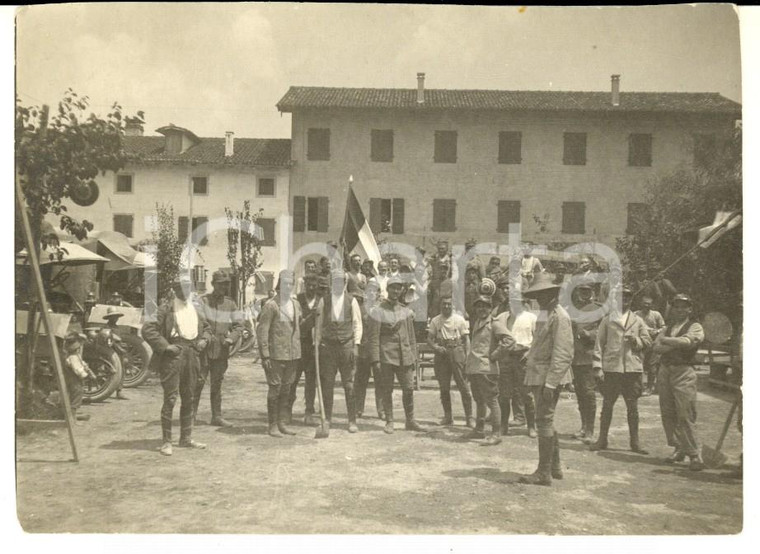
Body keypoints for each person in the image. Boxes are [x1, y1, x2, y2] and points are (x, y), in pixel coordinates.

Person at [143, 273, 212, 456]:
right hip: (174, 356)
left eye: (188, 286)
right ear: (175, 288)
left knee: (189, 397)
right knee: (171, 398)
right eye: (182, 287)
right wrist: (166, 347)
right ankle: (166, 442)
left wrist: (204, 340)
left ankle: (186, 438)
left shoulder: (196, 307)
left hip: (192, 355)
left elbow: (207, 328)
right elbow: (148, 329)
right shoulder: (166, 307)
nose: (186, 290)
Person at [518, 273, 573, 486]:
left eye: (543, 294)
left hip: (548, 378)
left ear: (552, 294)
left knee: (543, 421)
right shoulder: (545, 314)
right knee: (545, 420)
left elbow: (563, 353)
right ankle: (554, 467)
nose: (539, 298)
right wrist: (529, 354)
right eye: (537, 295)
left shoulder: (560, 317)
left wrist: (551, 383)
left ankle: (544, 472)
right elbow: (540, 343)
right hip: (538, 374)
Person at [589, 286, 651, 454]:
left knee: (633, 406)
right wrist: (598, 367)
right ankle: (602, 439)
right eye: (621, 298)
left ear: (631, 300)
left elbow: (647, 341)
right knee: (608, 404)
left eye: (628, 298)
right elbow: (598, 346)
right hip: (612, 369)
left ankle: (635, 443)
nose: (625, 301)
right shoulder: (608, 320)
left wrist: (635, 340)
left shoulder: (637, 321)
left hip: (632, 369)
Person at [653, 293, 706, 471]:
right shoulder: (668, 327)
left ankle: (694, 454)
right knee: (668, 411)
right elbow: (656, 347)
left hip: (684, 370)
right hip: (666, 370)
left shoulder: (695, 326)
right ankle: (679, 447)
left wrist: (667, 341)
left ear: (690, 309)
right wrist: (672, 343)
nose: (680, 309)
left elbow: (688, 342)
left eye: (684, 306)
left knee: (685, 412)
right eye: (676, 306)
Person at [368, 275, 425, 434]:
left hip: (405, 355)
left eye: (398, 288)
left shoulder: (405, 311)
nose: (395, 291)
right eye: (392, 287)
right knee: (387, 389)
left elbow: (411, 336)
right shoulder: (378, 310)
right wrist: (375, 360)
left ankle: (410, 420)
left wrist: (413, 356)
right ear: (387, 289)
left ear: (401, 290)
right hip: (386, 355)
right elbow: (373, 337)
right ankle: (390, 421)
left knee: (408, 388)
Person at [314, 269, 363, 433]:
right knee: (327, 385)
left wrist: (356, 346)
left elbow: (357, 324)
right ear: (331, 283)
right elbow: (319, 325)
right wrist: (317, 343)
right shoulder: (324, 301)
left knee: (349, 385)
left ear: (345, 283)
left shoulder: (351, 301)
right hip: (328, 349)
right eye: (335, 282)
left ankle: (352, 420)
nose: (338, 285)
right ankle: (326, 418)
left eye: (341, 282)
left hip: (346, 347)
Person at [195, 270, 244, 427]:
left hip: (222, 350)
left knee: (217, 383)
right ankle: (191, 416)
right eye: (221, 284)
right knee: (198, 382)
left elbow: (239, 326)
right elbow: (201, 323)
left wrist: (231, 339)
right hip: (203, 350)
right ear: (213, 284)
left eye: (227, 284)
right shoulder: (203, 301)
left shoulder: (231, 304)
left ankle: (216, 416)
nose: (224, 287)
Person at [256, 270, 302, 438]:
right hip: (275, 355)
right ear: (279, 285)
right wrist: (265, 355)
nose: (288, 287)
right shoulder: (271, 305)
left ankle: (282, 422)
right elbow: (262, 331)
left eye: (291, 284)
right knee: (275, 390)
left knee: (287, 389)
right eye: (285, 284)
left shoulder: (295, 304)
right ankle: (272, 425)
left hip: (293, 355)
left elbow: (298, 326)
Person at [465, 295, 515, 445]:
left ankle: (496, 433)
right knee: (479, 400)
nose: (481, 309)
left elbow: (509, 340)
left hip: (487, 369)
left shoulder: (495, 324)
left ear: (490, 308)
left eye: (485, 306)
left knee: (492, 401)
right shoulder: (477, 322)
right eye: (479, 306)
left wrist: (495, 355)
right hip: (475, 368)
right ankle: (479, 430)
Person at [492, 281, 538, 437]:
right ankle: (504, 425)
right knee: (504, 394)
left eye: (517, 300)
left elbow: (538, 339)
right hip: (506, 358)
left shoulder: (531, 317)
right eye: (512, 300)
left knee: (526, 394)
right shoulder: (501, 317)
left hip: (523, 357)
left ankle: (531, 426)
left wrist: (530, 353)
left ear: (523, 302)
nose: (514, 304)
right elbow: (495, 337)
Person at [427, 296, 474, 427]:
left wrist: (467, 355)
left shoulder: (459, 320)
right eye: (444, 304)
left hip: (457, 350)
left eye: (449, 304)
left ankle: (469, 417)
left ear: (452, 306)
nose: (446, 307)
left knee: (463, 386)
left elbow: (467, 339)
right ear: (440, 305)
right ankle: (448, 417)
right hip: (442, 353)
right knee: (444, 387)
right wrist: (436, 347)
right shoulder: (435, 320)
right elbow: (429, 339)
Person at [570, 280, 603, 443]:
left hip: (589, 356)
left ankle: (590, 430)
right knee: (580, 394)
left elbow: (604, 332)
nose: (584, 294)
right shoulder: (573, 309)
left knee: (589, 394)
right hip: (575, 357)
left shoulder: (598, 309)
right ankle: (583, 427)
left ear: (592, 292)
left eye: (587, 291)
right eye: (581, 291)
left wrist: (588, 334)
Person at [289, 273, 320, 425]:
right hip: (299, 345)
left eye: (315, 285)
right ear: (305, 285)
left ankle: (309, 412)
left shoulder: (321, 301)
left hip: (314, 348)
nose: (312, 288)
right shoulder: (297, 300)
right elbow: (297, 325)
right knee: (293, 379)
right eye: (309, 285)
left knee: (311, 381)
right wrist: (309, 320)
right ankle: (287, 411)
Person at [636, 295, 666, 396]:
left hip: (653, 343)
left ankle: (650, 387)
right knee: (638, 365)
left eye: (649, 304)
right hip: (640, 343)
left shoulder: (656, 314)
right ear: (641, 304)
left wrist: (657, 331)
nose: (646, 306)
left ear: (651, 305)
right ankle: (638, 387)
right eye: (645, 303)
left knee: (652, 366)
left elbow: (663, 327)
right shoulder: (636, 314)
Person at [61, 331, 91, 423]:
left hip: (71, 379)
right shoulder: (73, 357)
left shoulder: (72, 356)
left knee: (73, 396)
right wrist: (85, 375)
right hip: (75, 380)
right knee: (76, 397)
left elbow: (81, 363)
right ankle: (72, 419)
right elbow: (78, 369)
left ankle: (71, 416)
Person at [102, 306, 128, 400]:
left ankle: (119, 391)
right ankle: (106, 391)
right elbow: (109, 342)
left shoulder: (117, 327)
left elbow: (118, 340)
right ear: (109, 318)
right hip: (112, 352)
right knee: (111, 371)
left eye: (116, 316)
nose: (115, 318)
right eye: (113, 316)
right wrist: (119, 348)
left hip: (119, 352)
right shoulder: (106, 328)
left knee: (122, 370)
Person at [426, 240, 456, 319]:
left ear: (446, 249)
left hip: (446, 284)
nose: (441, 250)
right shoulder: (434, 258)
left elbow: (454, 273)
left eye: (443, 248)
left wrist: (450, 282)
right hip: (435, 284)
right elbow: (429, 271)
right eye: (439, 248)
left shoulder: (451, 259)